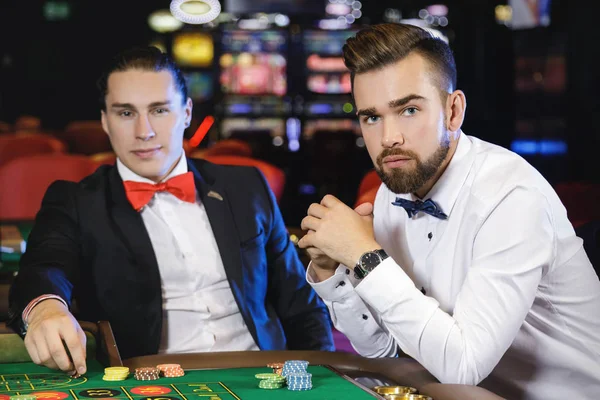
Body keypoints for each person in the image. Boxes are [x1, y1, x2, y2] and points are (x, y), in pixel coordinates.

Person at [298, 23, 600, 399]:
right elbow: (384, 349)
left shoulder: (511, 196)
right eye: (371, 117)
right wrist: (333, 272)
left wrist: (365, 256)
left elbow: (463, 367)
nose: (388, 137)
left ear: (453, 111)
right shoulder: (392, 194)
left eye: (408, 109)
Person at [8, 46, 334, 376]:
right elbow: (44, 266)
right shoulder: (76, 200)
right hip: (150, 380)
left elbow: (301, 305)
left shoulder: (245, 185)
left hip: (263, 372)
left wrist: (323, 375)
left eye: (160, 110)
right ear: (105, 121)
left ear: (187, 113)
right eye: (125, 113)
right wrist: (45, 308)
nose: (144, 131)